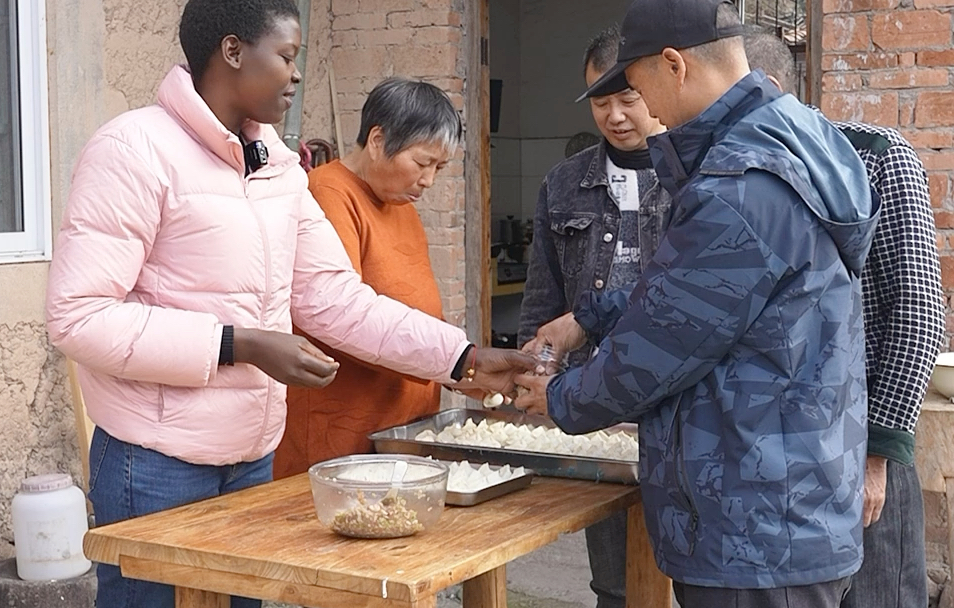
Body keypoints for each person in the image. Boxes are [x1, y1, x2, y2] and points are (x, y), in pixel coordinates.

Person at [44, 2, 533, 608]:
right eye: (286, 56)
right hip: (156, 462)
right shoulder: (134, 150)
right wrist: (237, 343)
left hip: (253, 457)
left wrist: (459, 357)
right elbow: (78, 317)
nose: (295, 75)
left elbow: (334, 298)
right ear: (231, 52)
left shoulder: (276, 165)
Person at [513, 0, 880, 605]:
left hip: (755, 524)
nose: (643, 110)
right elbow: (710, 292)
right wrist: (590, 315)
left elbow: (658, 346)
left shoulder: (739, 185)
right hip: (784, 499)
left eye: (636, 88)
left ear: (674, 65)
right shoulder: (792, 141)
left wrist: (558, 398)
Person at [744, 27, 943, 608]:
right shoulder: (745, 175)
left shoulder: (876, 156)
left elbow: (919, 316)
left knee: (879, 596)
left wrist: (877, 456)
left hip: (862, 448)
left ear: (769, 88)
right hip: (783, 457)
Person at [517, 25, 671, 608]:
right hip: (595, 405)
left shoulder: (698, 176)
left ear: (656, 87)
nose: (616, 116)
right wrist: (535, 366)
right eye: (601, 102)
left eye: (627, 99)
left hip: (673, 404)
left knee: (683, 570)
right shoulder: (565, 182)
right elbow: (543, 295)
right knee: (614, 579)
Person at [274, 78, 463, 479]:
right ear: (377, 140)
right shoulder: (326, 193)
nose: (428, 180)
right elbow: (341, 312)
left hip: (404, 422)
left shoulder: (401, 204)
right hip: (344, 426)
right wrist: (459, 361)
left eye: (439, 168)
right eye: (422, 162)